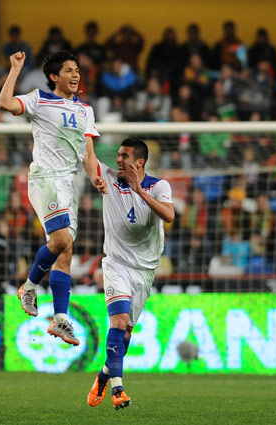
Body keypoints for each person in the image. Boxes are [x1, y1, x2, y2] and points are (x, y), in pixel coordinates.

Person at [0, 50, 107, 346]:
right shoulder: (39, 99)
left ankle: (60, 320)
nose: (75, 76)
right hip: (45, 177)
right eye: (69, 71)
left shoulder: (85, 110)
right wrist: (15, 69)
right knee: (60, 241)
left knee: (66, 251)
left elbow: (88, 153)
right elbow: (5, 103)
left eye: (77, 71)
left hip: (69, 185)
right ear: (54, 76)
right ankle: (29, 287)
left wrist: (96, 175)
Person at [87, 138, 174, 409]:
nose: (118, 159)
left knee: (125, 335)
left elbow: (169, 215)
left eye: (124, 155)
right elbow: (88, 157)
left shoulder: (159, 186)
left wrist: (139, 191)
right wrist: (87, 128)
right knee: (119, 321)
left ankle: (103, 375)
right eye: (117, 154)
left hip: (145, 270)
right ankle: (118, 389)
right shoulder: (109, 179)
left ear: (139, 162)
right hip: (116, 264)